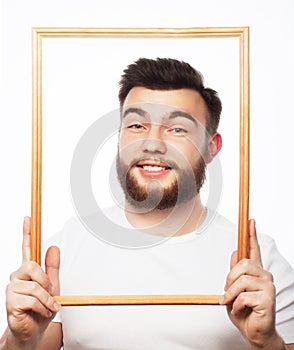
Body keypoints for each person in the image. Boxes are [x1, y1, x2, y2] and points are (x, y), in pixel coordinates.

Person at [1, 58, 294, 349]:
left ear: (211, 147)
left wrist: (266, 341)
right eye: (137, 125)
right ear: (119, 138)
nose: (152, 143)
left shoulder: (257, 265)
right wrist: (20, 339)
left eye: (177, 129)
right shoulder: (61, 252)